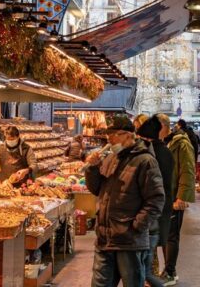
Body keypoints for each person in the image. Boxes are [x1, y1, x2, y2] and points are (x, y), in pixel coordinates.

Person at [84, 115, 165, 287]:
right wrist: (93, 168)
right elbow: (97, 189)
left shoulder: (145, 161)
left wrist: (136, 226)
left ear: (128, 135)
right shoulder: (112, 158)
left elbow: (156, 199)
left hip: (129, 241)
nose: (109, 138)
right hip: (105, 239)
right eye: (108, 134)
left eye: (114, 134)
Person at [136, 115, 173, 287]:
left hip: (151, 212)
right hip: (155, 210)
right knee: (147, 262)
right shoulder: (161, 151)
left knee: (146, 266)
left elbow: (158, 187)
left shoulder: (151, 155)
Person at [162, 115, 196, 286]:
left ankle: (170, 272)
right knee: (165, 235)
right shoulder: (165, 143)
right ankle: (168, 270)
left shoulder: (181, 143)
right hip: (164, 196)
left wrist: (182, 196)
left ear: (164, 126)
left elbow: (188, 170)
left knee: (171, 235)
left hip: (175, 196)